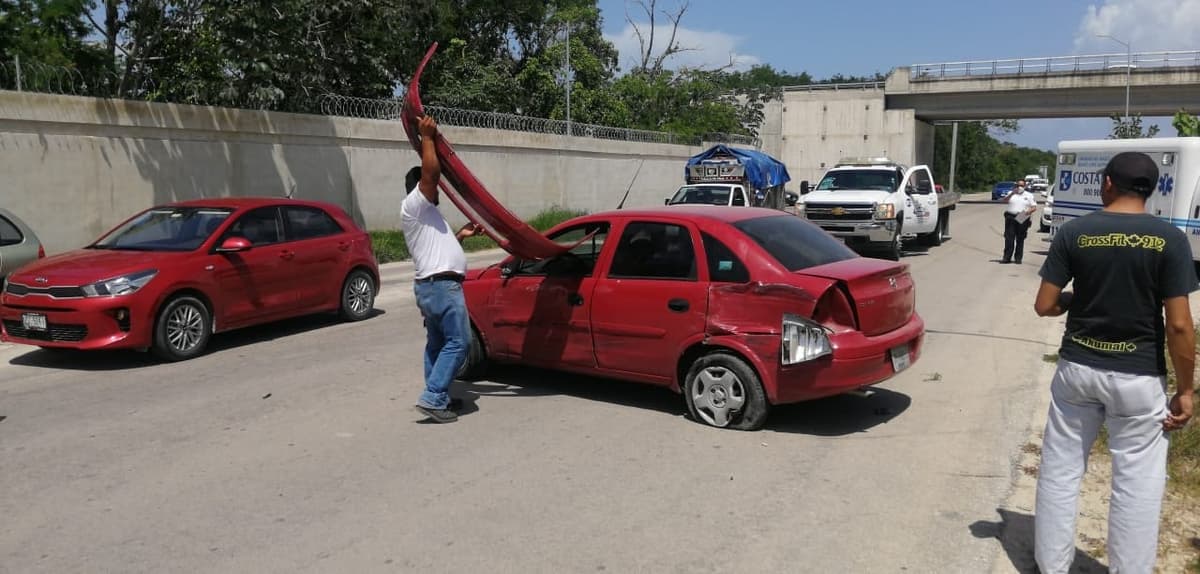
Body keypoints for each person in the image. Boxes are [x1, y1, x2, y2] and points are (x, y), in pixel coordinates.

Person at [1032, 152, 1196, 573]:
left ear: (1107, 183)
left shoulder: (1075, 232)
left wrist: (1072, 300)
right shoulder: (1170, 239)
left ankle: (1051, 565)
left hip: (1078, 370)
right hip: (1139, 377)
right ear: (1152, 190)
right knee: (1138, 483)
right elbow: (1179, 325)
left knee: (1061, 471)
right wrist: (1185, 390)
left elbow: (1045, 305)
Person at [402, 115, 484, 423]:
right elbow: (431, 173)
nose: (438, 190)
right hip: (440, 287)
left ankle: (439, 396)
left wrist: (461, 236)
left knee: (438, 344)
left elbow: (438, 251)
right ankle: (433, 396)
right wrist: (427, 138)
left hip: (433, 285)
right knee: (460, 342)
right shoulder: (414, 205)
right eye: (432, 186)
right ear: (419, 187)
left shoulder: (428, 215)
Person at [1001, 179, 1038, 264]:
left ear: (1025, 186)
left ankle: (1018, 258)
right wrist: (1012, 193)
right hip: (1010, 216)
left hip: (1022, 216)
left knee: (1020, 238)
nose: (1019, 187)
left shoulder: (1029, 195)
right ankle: (1006, 258)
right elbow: (1004, 200)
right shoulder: (1011, 193)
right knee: (1009, 238)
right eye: (1018, 185)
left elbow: (1034, 207)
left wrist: (1026, 213)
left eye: (1021, 185)